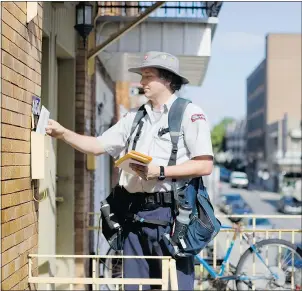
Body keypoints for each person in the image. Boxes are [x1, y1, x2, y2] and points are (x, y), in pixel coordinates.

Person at [46, 51, 214, 290]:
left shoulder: (189, 114)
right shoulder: (134, 118)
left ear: (167, 80)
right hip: (134, 217)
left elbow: (204, 165)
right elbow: (96, 146)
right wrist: (63, 133)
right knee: (133, 286)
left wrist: (161, 171)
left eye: (148, 76)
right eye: (142, 76)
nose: (142, 82)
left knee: (175, 286)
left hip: (173, 219)